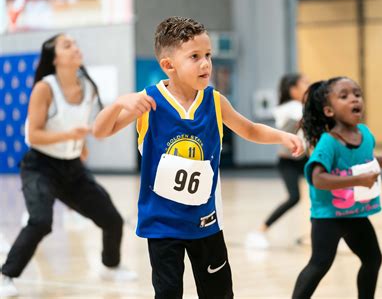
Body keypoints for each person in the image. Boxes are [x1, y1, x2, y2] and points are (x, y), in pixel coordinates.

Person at [92, 16, 304, 299]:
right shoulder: (148, 102)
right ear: (169, 65)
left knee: (219, 294)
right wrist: (119, 102)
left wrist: (281, 136)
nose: (205, 64)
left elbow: (249, 129)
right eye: (195, 56)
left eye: (208, 55)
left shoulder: (215, 101)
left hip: (205, 223)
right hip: (162, 225)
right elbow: (101, 131)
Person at [0, 34, 136, 298]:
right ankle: (6, 274)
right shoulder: (44, 88)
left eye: (75, 43)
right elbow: (34, 135)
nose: (75, 48)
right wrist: (70, 136)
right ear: (54, 59)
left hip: (72, 168)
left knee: (112, 220)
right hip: (40, 166)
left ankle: (111, 266)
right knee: (40, 222)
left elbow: (85, 126)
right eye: (67, 45)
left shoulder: (88, 86)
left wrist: (79, 145)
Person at [291, 77, 382, 299]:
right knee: (320, 264)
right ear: (328, 110)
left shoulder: (365, 134)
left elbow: (368, 165)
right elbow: (318, 179)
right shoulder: (329, 141)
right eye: (344, 96)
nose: (354, 98)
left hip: (355, 214)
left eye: (357, 94)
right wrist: (357, 181)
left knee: (373, 259)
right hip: (329, 216)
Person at [246, 73, 310, 249]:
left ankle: (319, 232)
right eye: (305, 82)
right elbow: (308, 116)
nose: (308, 85)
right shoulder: (292, 107)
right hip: (288, 161)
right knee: (294, 197)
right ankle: (261, 229)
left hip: (304, 159)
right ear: (293, 89)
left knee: (322, 191)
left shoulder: (299, 106)